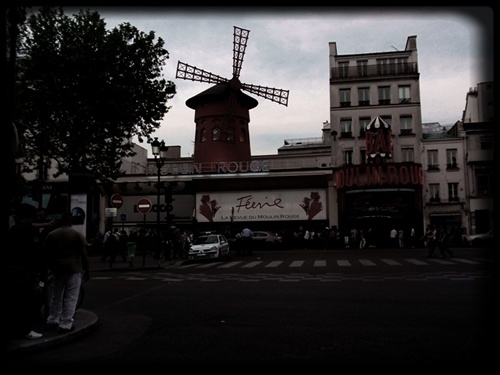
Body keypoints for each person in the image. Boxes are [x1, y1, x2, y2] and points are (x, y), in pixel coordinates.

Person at [42, 212, 90, 333]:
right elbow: (84, 255)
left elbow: (46, 253)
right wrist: (87, 270)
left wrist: (48, 268)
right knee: (71, 296)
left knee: (56, 295)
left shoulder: (52, 235)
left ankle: (53, 320)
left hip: (57, 269)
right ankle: (66, 324)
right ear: (71, 222)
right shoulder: (77, 234)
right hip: (74, 268)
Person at [7, 204, 47, 340]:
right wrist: (39, 278)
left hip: (13, 270)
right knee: (27, 303)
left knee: (16, 302)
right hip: (26, 272)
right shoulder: (30, 231)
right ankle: (25, 330)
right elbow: (35, 254)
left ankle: (15, 328)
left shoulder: (13, 230)